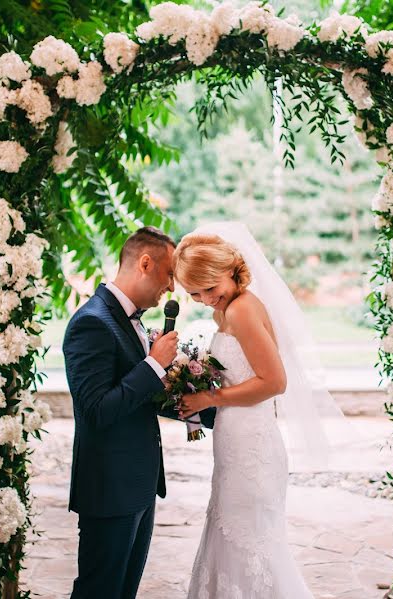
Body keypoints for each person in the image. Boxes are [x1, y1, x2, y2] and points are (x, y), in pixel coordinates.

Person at [62, 226, 215, 599]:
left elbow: (139, 397)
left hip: (139, 485)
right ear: (145, 263)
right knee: (99, 591)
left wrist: (211, 408)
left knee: (124, 591)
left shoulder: (132, 320)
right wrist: (152, 365)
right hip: (109, 487)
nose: (171, 289)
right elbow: (97, 409)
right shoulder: (92, 323)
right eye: (167, 276)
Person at [174, 222, 318, 598]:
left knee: (249, 538)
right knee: (230, 529)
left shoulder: (241, 310)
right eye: (195, 293)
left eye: (210, 288)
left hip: (252, 447)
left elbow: (274, 382)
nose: (206, 299)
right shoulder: (227, 309)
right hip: (234, 439)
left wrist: (209, 398)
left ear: (229, 271)